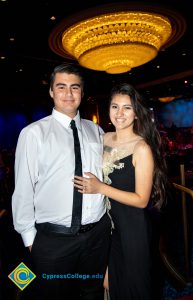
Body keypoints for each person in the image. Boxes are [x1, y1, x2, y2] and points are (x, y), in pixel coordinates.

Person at [12, 63, 111, 300]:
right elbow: (23, 189)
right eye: (61, 87)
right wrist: (30, 239)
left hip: (97, 235)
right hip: (54, 241)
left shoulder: (95, 130)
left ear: (82, 93)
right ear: (51, 92)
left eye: (75, 88)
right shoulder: (33, 133)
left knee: (92, 293)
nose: (68, 94)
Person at [73, 83, 169, 300]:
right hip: (106, 225)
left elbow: (142, 200)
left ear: (136, 113)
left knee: (133, 286)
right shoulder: (103, 137)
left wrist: (100, 187)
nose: (120, 113)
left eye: (127, 108)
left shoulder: (141, 148)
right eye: (115, 107)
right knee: (109, 283)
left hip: (132, 228)